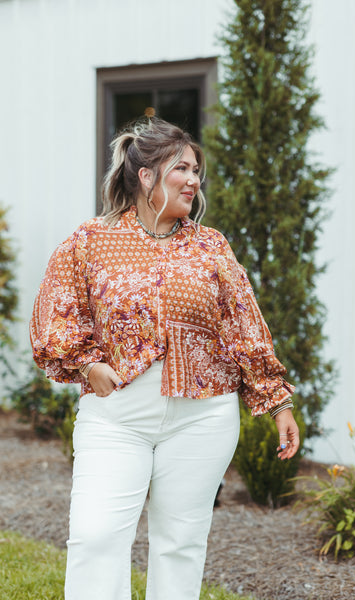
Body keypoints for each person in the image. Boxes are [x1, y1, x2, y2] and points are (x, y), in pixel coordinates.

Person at [30, 117, 300, 600]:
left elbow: (245, 326)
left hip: (203, 417)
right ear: (146, 176)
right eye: (183, 168)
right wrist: (89, 364)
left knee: (180, 544)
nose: (195, 180)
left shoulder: (211, 246)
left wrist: (276, 401)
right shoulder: (89, 241)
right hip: (117, 415)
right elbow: (56, 313)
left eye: (197, 170)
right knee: (95, 536)